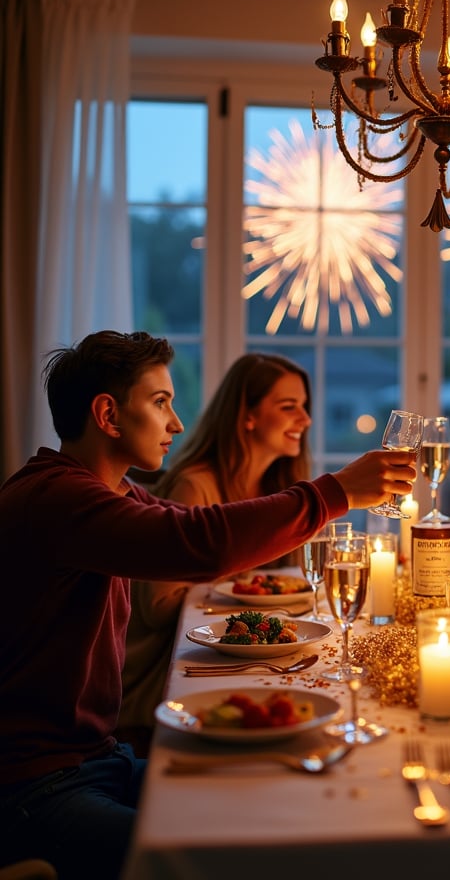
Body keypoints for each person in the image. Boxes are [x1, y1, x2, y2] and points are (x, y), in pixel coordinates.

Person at [0, 331, 416, 880]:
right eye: (160, 402)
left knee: (267, 790)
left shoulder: (109, 491)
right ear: (107, 414)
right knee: (224, 860)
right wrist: (333, 493)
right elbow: (198, 543)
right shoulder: (56, 498)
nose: (176, 424)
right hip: (37, 784)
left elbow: (197, 534)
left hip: (100, 760)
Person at [117, 353, 314, 757]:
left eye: (305, 406)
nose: (306, 419)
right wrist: (245, 591)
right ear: (248, 416)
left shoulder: (276, 486)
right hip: (155, 692)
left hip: (233, 656)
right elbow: (157, 606)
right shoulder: (195, 485)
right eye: (289, 406)